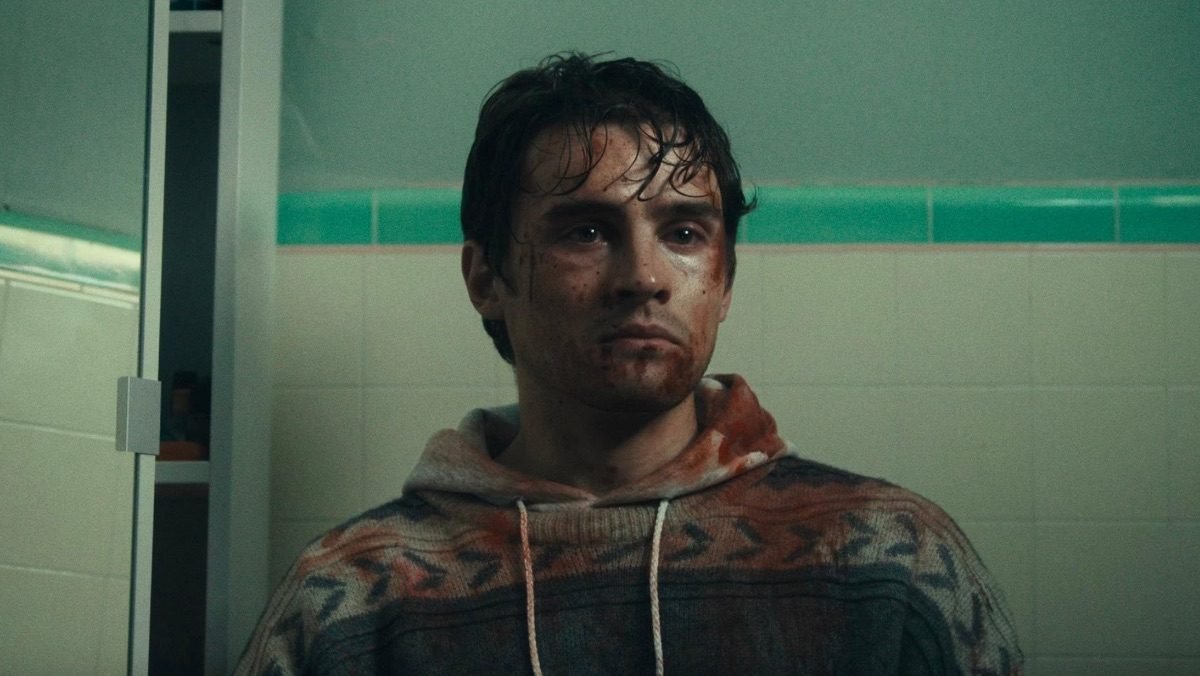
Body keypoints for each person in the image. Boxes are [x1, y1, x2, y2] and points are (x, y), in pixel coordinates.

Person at [236, 52, 1022, 675]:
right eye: (585, 231)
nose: (644, 277)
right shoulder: (353, 598)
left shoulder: (890, 560)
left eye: (684, 234)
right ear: (485, 279)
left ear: (725, 282)